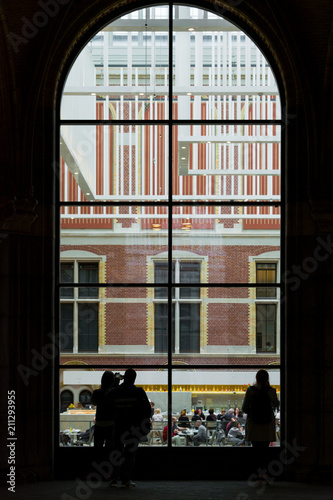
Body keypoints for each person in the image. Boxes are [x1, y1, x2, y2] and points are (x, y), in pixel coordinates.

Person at [106, 368, 151, 488]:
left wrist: (115, 382)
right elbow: (147, 410)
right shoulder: (138, 392)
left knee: (116, 452)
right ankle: (126, 480)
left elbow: (106, 399)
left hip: (119, 426)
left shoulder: (116, 391)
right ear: (134, 378)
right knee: (130, 454)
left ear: (124, 377)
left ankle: (114, 479)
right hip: (134, 427)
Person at [242, 369, 279, 485]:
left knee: (256, 450)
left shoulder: (250, 390)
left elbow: (244, 408)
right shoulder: (271, 390)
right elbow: (276, 405)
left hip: (254, 424)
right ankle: (264, 475)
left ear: (256, 378)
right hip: (267, 425)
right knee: (265, 451)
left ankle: (256, 475)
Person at [91, 371, 117, 461]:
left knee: (98, 447)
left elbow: (94, 402)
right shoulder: (114, 392)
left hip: (99, 423)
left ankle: (97, 464)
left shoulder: (96, 392)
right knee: (110, 447)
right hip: (111, 423)